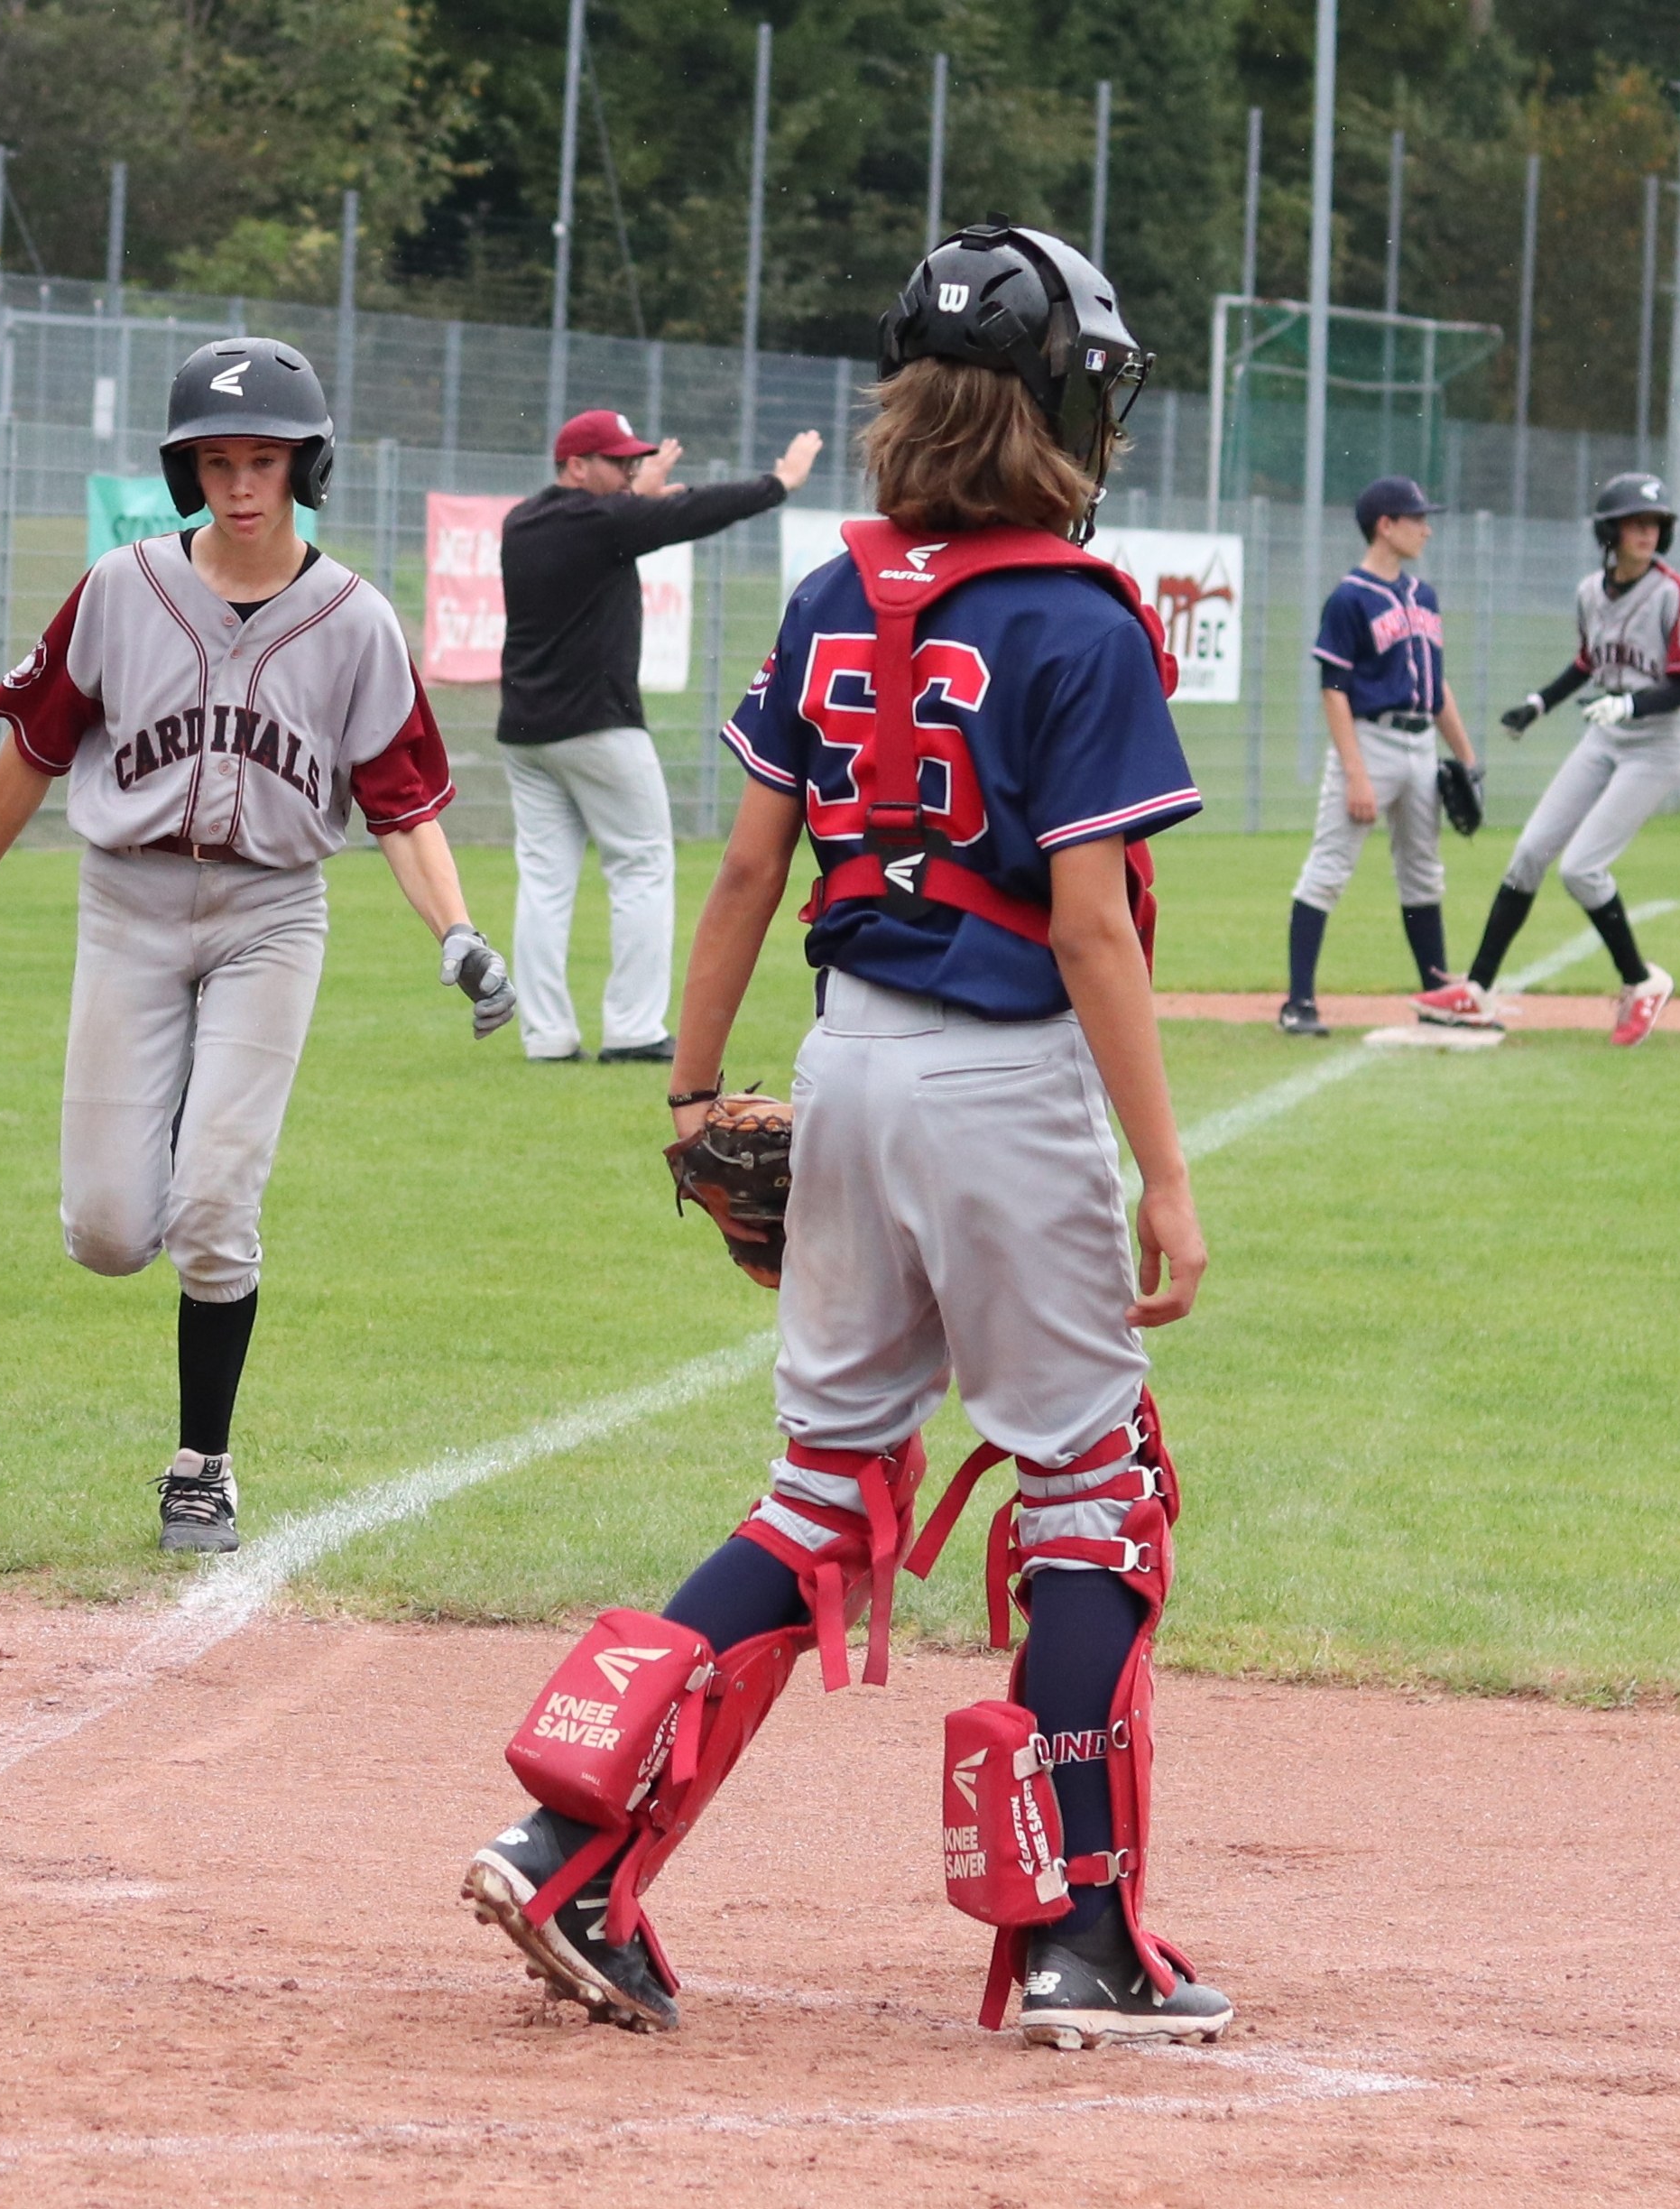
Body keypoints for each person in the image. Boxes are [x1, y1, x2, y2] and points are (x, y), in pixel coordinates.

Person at [463, 223, 1232, 2052]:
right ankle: (1082, 1939)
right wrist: (1167, 1171)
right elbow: (1091, 927)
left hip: (844, 1066)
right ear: (1053, 411)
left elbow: (747, 869)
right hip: (1002, 1085)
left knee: (821, 1491)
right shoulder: (1077, 616)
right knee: (1095, 1494)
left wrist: (689, 1092)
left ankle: (572, 1848)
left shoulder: (833, 593)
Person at [0, 337, 514, 1553]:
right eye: (218, 460)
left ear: (305, 468)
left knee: (217, 1208)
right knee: (108, 1234)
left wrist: (458, 934)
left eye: (265, 460)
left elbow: (399, 804)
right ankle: (183, 1127)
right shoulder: (121, 588)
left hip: (270, 916)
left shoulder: (355, 621)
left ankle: (202, 1466)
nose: (241, 484)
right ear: (186, 470)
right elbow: (34, 746)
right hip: (126, 904)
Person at [497, 408, 822, 1062]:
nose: (630, 471)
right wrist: (779, 483)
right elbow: (693, 512)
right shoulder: (606, 523)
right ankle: (634, 1029)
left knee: (544, 881)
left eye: (633, 462)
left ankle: (547, 1036)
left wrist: (633, 499)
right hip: (599, 727)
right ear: (576, 465)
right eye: (617, 462)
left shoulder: (523, 521)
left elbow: (625, 517)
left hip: (525, 732)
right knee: (642, 866)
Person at [1415, 473, 1680, 1047]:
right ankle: (1476, 991)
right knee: (1529, 853)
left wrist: (1630, 703)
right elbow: (1587, 663)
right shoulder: (1589, 592)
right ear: (1610, 532)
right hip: (1606, 738)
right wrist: (1538, 705)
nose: (1647, 532)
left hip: (1657, 746)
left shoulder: (1675, 593)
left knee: (1581, 869)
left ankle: (1642, 983)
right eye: (1635, 522)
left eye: (1654, 523)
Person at [1277, 476, 1481, 1038]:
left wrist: (1466, 757)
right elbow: (1334, 689)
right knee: (1328, 870)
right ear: (1385, 526)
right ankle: (1298, 1003)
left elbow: (1437, 685)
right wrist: (1356, 775)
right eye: (1417, 519)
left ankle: (1437, 997)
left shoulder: (1424, 596)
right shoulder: (1349, 598)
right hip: (1369, 742)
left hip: (1422, 744)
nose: (1426, 529)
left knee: (1423, 875)